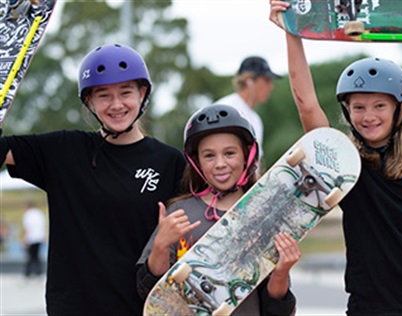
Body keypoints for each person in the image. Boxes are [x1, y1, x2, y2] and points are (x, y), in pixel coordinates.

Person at [270, 2, 402, 315]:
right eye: (358, 107)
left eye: (379, 105)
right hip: (373, 306)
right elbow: (306, 104)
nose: (368, 116)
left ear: (399, 108)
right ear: (347, 112)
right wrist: (292, 30)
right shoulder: (342, 162)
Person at [0, 44, 186, 315]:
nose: (116, 104)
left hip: (140, 308)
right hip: (73, 308)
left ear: (142, 93)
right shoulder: (63, 151)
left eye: (126, 92)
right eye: (104, 95)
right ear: (89, 101)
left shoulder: (170, 162)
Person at [137, 104, 299, 315]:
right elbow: (150, 293)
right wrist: (160, 245)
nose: (220, 164)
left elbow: (276, 310)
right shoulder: (180, 212)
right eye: (209, 156)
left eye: (230, 153)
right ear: (197, 162)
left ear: (246, 156)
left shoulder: (264, 215)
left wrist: (282, 271)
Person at [214, 56, 282, 161]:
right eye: (266, 80)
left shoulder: (255, 119)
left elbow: (256, 163)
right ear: (249, 80)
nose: (271, 87)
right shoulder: (225, 109)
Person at [22, 201, 46, 278]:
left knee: (30, 256)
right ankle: (38, 272)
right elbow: (43, 225)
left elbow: (27, 227)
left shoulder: (28, 215)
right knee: (37, 256)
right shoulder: (39, 214)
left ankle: (28, 273)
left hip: (31, 237)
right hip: (39, 237)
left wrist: (24, 238)